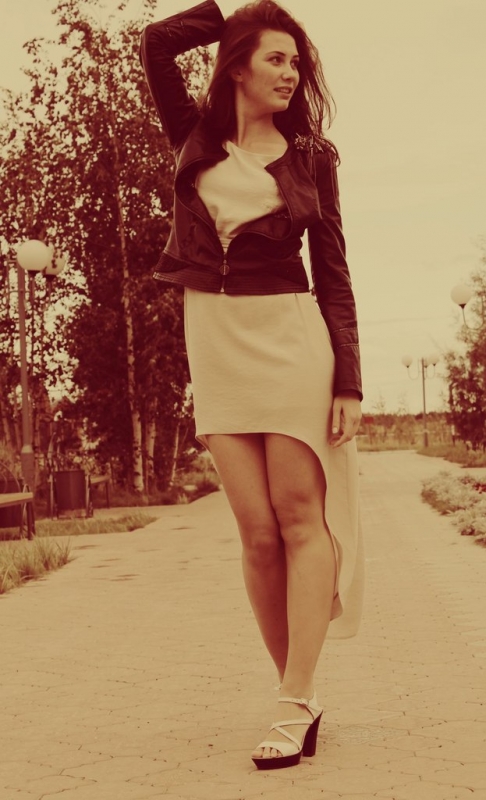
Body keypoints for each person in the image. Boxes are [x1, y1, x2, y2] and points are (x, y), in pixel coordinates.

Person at [140, 0, 364, 770]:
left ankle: (293, 702)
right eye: (275, 57)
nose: (290, 73)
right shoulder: (194, 135)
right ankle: (297, 692)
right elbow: (156, 43)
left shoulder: (312, 156)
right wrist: (227, 16)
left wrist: (349, 381)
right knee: (256, 533)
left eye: (297, 62)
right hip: (216, 338)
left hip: (293, 339)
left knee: (300, 518)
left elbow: (334, 272)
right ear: (237, 65)